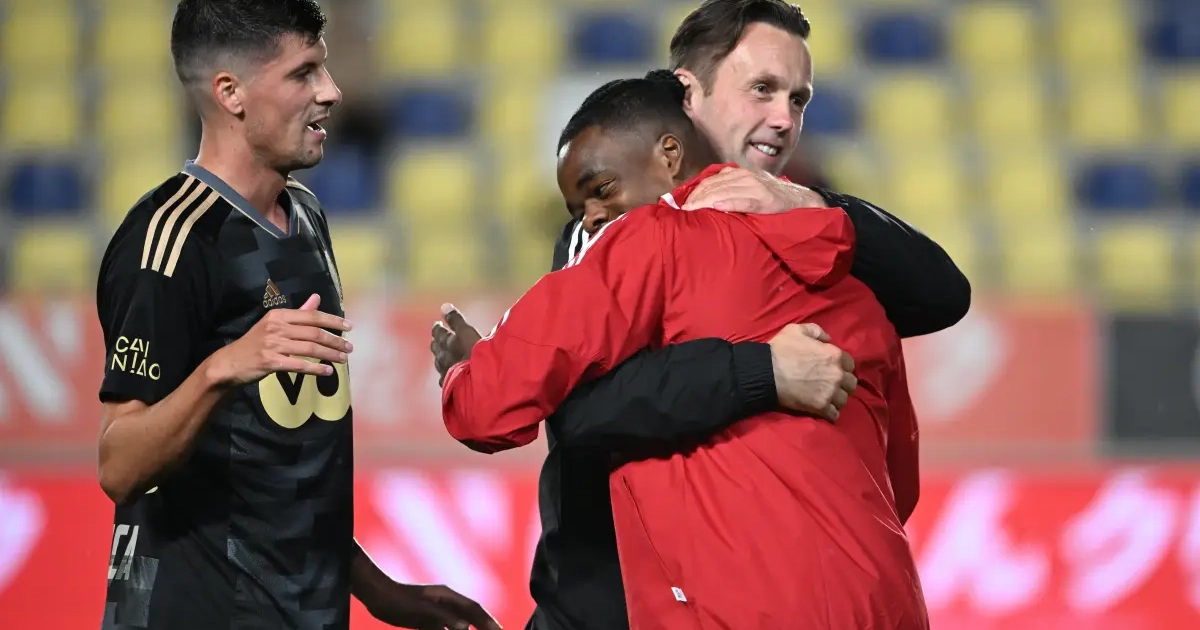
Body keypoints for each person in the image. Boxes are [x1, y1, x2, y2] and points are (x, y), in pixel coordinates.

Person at [430, 2, 963, 628]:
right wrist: (763, 372)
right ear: (690, 93)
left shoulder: (698, 233)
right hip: (868, 597)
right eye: (762, 89)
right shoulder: (846, 270)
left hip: (711, 605)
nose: (784, 118)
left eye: (798, 99)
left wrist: (470, 368)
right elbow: (897, 485)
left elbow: (512, 405)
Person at [95, 2, 499, 629]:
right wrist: (222, 368)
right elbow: (119, 466)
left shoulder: (306, 216)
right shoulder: (171, 240)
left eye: (324, 69)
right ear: (231, 93)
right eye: (303, 73)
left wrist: (375, 588)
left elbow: (283, 466)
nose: (331, 92)